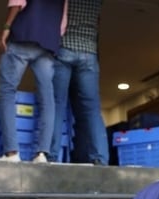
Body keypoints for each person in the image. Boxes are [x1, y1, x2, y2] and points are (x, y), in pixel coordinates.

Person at [0, 0, 66, 163]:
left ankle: (12, 153)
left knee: (7, 92)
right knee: (47, 98)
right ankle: (41, 154)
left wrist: (6, 28)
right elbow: (63, 24)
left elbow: (18, 2)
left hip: (23, 35)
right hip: (48, 43)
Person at [49, 0, 109, 165]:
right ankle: (100, 157)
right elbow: (97, 21)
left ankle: (51, 155)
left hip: (64, 49)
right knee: (92, 110)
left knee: (57, 105)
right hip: (89, 53)